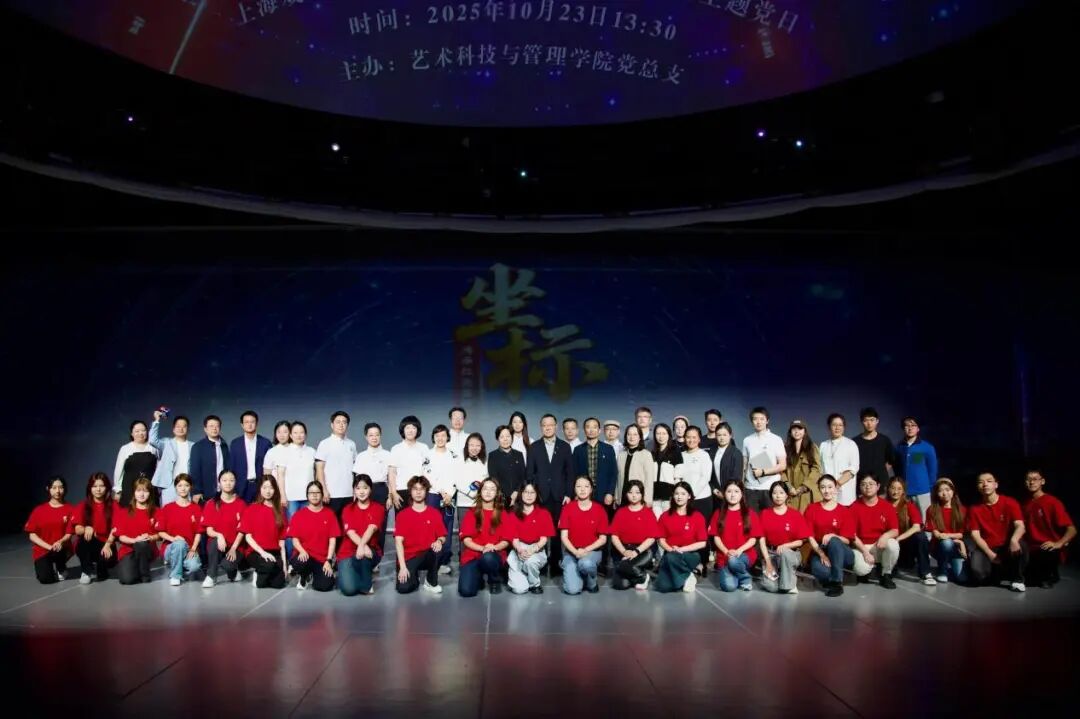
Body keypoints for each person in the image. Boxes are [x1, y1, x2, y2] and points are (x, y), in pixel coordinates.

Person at [528, 414, 575, 575]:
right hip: (540, 496)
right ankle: (539, 563)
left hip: (559, 496)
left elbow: (570, 473)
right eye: (544, 425)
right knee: (538, 530)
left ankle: (555, 563)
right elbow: (530, 473)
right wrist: (533, 495)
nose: (547, 427)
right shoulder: (534, 447)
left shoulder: (564, 446)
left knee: (556, 531)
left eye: (550, 425)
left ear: (556, 426)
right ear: (541, 427)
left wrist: (568, 494)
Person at [804, 475, 867, 596]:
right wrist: (822, 554)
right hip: (821, 549)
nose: (826, 491)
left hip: (842, 551)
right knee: (819, 570)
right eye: (823, 487)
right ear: (819, 489)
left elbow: (848, 540)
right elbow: (810, 536)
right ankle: (834, 575)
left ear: (835, 488)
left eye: (830, 487)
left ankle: (837, 583)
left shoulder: (844, 511)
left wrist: (833, 536)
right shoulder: (812, 509)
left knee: (834, 540)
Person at [965, 472, 1027, 592]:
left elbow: (1020, 526)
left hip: (1006, 546)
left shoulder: (1010, 502)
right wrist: (990, 553)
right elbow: (975, 535)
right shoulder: (974, 509)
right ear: (978, 487)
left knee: (1021, 545)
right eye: (981, 482)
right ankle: (997, 573)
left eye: (989, 481)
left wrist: (1014, 540)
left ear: (996, 485)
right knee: (979, 574)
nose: (985, 484)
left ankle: (1017, 579)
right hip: (986, 547)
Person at [1022, 470, 1076, 588]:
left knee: (1043, 580)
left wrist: (1059, 543)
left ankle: (1050, 574)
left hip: (1047, 547)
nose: (1031, 482)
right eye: (1028, 479)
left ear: (1042, 481)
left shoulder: (1052, 502)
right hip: (1031, 549)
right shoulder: (1025, 504)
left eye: (1035, 479)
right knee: (1026, 580)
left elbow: (1072, 529)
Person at [458, 479, 512, 597]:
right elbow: (466, 540)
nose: (488, 492)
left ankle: (494, 580)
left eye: (492, 489)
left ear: (497, 493)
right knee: (466, 591)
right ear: (480, 492)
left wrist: (493, 548)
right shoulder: (471, 512)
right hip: (473, 555)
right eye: (485, 488)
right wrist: (483, 548)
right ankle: (478, 578)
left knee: (488, 558)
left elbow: (506, 540)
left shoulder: (503, 513)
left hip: (493, 554)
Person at [395, 476, 447, 594]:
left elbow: (442, 536)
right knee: (403, 589)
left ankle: (431, 581)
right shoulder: (402, 515)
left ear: (426, 491)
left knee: (438, 549)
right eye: (415, 489)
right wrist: (402, 567)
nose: (418, 492)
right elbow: (398, 542)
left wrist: (439, 541)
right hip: (410, 556)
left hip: (427, 554)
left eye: (422, 489)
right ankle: (414, 578)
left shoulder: (434, 513)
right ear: (410, 491)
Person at [285, 481, 340, 592]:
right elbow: (295, 539)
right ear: (307, 495)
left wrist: (329, 561)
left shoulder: (329, 514)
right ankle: (304, 576)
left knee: (325, 586)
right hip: (305, 556)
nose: (314, 495)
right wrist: (302, 551)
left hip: (321, 558)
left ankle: (315, 575)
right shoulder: (299, 515)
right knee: (300, 563)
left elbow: (332, 540)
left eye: (317, 492)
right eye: (311, 493)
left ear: (322, 494)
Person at [558, 476, 609, 595]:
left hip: (592, 552)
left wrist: (585, 550)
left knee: (585, 564)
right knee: (572, 590)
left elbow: (603, 539)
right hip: (572, 552)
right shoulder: (568, 508)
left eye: (586, 486)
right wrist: (575, 552)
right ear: (574, 489)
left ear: (591, 489)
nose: (582, 489)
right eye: (578, 486)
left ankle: (592, 583)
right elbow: (564, 537)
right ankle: (579, 576)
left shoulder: (599, 509)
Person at [654, 482, 709, 593]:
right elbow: (661, 540)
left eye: (683, 494)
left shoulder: (697, 516)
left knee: (671, 558)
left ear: (689, 496)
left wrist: (681, 549)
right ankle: (688, 575)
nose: (679, 497)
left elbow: (702, 543)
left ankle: (689, 572)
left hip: (690, 555)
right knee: (662, 586)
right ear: (673, 496)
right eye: (676, 493)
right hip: (670, 553)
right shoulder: (665, 516)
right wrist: (671, 550)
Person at [338, 474, 387, 596]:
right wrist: (362, 545)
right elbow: (350, 532)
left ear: (370, 489)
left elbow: (371, 528)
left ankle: (367, 585)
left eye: (365, 488)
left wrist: (363, 546)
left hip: (370, 551)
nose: (361, 491)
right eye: (358, 488)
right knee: (349, 590)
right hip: (348, 552)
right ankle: (356, 574)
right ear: (354, 490)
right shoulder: (347, 509)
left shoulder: (378, 508)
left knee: (364, 556)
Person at [758, 481, 810, 594]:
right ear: (771, 495)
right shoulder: (764, 514)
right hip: (771, 554)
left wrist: (786, 545)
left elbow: (801, 541)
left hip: (791, 554)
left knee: (785, 553)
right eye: (775, 493)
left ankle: (788, 584)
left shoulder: (795, 514)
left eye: (781, 493)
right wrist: (768, 561)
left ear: (787, 495)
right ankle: (783, 576)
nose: (778, 496)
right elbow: (761, 540)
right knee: (771, 587)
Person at [850, 471, 900, 589]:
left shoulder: (887, 506)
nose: (867, 487)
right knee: (861, 570)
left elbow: (895, 530)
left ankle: (885, 574)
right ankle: (869, 569)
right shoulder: (854, 507)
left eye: (871, 484)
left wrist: (885, 536)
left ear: (878, 486)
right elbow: (851, 535)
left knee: (893, 545)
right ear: (860, 487)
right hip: (861, 546)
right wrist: (865, 552)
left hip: (879, 545)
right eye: (863, 484)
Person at [710, 480, 762, 592]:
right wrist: (726, 551)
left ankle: (745, 578)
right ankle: (741, 574)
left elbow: (753, 539)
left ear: (742, 494)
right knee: (729, 587)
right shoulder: (718, 513)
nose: (732, 495)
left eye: (736, 491)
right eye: (729, 491)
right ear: (724, 494)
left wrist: (739, 551)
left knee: (733, 561)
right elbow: (716, 537)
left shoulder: (750, 513)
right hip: (724, 556)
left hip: (744, 555)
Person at [609, 480, 661, 590]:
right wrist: (624, 551)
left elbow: (652, 538)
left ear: (642, 494)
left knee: (623, 566)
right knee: (621, 585)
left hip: (643, 551)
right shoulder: (621, 512)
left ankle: (639, 574)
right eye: (630, 492)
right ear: (626, 494)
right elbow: (614, 536)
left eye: (637, 492)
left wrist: (636, 551)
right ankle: (641, 576)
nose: (634, 495)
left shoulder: (648, 512)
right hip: (624, 550)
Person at [505, 481, 555, 594]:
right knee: (519, 590)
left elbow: (544, 539)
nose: (529, 495)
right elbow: (514, 539)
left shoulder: (544, 513)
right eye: (526, 492)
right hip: (518, 548)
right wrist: (520, 550)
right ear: (521, 494)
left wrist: (532, 550)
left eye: (532, 492)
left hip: (536, 548)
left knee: (530, 561)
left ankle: (534, 584)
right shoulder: (513, 514)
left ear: (537, 494)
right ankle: (522, 574)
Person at [201, 469, 248, 587]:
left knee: (228, 565)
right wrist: (219, 535)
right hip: (218, 544)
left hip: (236, 546)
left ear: (235, 482)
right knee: (214, 542)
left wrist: (233, 548)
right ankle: (211, 576)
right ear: (219, 483)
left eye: (231, 480)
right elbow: (209, 530)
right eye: (224, 480)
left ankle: (234, 572)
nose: (228, 483)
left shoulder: (241, 504)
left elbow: (242, 531)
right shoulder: (211, 504)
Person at [155, 474, 203, 586]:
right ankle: (175, 575)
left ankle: (178, 563)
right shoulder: (168, 508)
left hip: (189, 548)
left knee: (194, 567)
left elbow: (199, 532)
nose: (183, 488)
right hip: (171, 547)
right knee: (179, 544)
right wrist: (173, 539)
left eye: (186, 485)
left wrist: (193, 548)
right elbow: (160, 531)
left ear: (190, 487)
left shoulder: (196, 508)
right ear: (176, 487)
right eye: (180, 485)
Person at [241, 476, 289, 589]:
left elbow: (281, 542)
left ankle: (266, 573)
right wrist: (262, 553)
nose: (268, 491)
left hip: (274, 552)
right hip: (256, 552)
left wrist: (284, 565)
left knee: (279, 583)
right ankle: (258, 573)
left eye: (271, 488)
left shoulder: (280, 510)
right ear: (260, 489)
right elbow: (248, 537)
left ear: (275, 490)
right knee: (267, 568)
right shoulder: (251, 509)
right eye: (264, 487)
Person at [25, 476, 73, 584]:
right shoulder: (39, 510)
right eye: (54, 487)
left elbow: (69, 533)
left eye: (60, 487)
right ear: (48, 489)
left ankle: (61, 567)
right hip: (43, 549)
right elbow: (32, 535)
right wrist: (49, 547)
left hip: (61, 548)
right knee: (46, 579)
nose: (58, 491)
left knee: (60, 551)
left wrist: (60, 542)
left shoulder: (70, 509)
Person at [425, 424, 461, 570]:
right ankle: (431, 560)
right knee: (432, 527)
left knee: (447, 526)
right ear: (433, 438)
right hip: (433, 495)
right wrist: (441, 492)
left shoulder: (454, 455)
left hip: (450, 496)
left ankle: (443, 561)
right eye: (437, 436)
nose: (440, 438)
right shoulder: (428, 454)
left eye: (443, 435)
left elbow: (458, 475)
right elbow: (427, 475)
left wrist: (450, 493)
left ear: (447, 437)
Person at [352, 422, 392, 553]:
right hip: (364, 491)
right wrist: (355, 495)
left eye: (377, 435)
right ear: (366, 437)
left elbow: (391, 478)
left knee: (380, 523)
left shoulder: (388, 455)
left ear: (380, 436)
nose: (374, 437)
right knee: (364, 522)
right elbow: (357, 479)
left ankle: (378, 554)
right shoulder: (361, 456)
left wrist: (390, 496)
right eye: (371, 435)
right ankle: (364, 549)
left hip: (381, 490)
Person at [71, 472, 116, 584]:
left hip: (107, 544)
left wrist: (107, 545)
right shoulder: (82, 505)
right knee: (84, 539)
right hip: (89, 543)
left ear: (107, 487)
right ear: (90, 488)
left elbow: (116, 528)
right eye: (95, 486)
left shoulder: (114, 505)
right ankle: (86, 571)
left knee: (103, 573)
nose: (98, 489)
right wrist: (86, 528)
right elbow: (77, 529)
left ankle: (102, 567)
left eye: (101, 486)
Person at [888, 477, 936, 585]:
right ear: (888, 489)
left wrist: (898, 538)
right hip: (889, 545)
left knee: (921, 537)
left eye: (899, 489)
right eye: (893, 488)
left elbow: (916, 527)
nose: (895, 492)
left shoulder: (909, 506)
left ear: (903, 491)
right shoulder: (883, 505)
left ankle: (925, 573)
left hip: (904, 545)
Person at [113, 476, 160, 585]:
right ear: (134, 493)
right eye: (138, 491)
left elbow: (159, 534)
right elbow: (121, 536)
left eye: (145, 491)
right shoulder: (124, 512)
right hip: (129, 550)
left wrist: (150, 537)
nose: (142, 494)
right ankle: (135, 569)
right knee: (127, 579)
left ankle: (145, 575)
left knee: (142, 544)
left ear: (150, 493)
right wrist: (135, 540)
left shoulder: (156, 511)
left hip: (147, 549)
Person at [280, 421, 317, 556]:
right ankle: (292, 559)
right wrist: (283, 495)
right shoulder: (285, 451)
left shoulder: (312, 451)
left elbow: (316, 473)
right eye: (295, 432)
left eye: (301, 432)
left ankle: (307, 557)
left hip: (309, 497)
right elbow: (280, 475)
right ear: (290, 435)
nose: (299, 435)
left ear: (305, 434)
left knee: (308, 528)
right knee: (292, 529)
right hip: (291, 498)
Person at [741, 407, 787, 512]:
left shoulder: (776, 439)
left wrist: (763, 472)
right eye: (755, 419)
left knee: (770, 519)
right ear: (751, 421)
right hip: (750, 488)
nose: (758, 422)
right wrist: (742, 485)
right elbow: (744, 465)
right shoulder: (747, 440)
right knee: (751, 519)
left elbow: (782, 465)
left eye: (762, 419)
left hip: (770, 487)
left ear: (767, 421)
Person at [924, 477, 968, 584]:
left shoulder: (962, 510)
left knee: (962, 578)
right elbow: (936, 532)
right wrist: (949, 538)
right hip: (939, 545)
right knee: (946, 543)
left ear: (953, 491)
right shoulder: (932, 509)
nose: (944, 493)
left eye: (947, 490)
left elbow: (962, 534)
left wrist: (957, 541)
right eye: (940, 491)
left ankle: (953, 564)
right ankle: (942, 570)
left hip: (956, 548)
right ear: (936, 493)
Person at [388, 415, 429, 524]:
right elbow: (392, 473)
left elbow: (427, 471)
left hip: (420, 490)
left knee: (420, 523)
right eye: (408, 428)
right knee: (402, 523)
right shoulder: (396, 449)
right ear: (403, 430)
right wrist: (394, 493)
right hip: (401, 491)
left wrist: (425, 490)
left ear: (418, 430)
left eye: (414, 427)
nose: (411, 430)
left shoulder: (424, 448)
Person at [315, 411, 358, 515]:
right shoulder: (324, 443)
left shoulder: (351, 444)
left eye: (344, 422)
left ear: (347, 425)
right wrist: (324, 490)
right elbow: (319, 469)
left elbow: (355, 470)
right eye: (338, 422)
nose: (341, 425)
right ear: (332, 425)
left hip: (348, 493)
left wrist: (355, 490)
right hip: (331, 494)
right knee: (331, 523)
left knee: (348, 523)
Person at [894, 417, 937, 516]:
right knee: (905, 520)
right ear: (903, 428)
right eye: (907, 426)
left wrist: (929, 488)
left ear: (918, 429)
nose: (910, 428)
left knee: (924, 520)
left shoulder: (927, 447)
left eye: (913, 425)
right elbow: (896, 468)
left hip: (922, 491)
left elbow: (932, 470)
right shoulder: (898, 447)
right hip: (904, 492)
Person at [228, 411, 272, 504]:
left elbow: (270, 467)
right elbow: (231, 467)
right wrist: (232, 488)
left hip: (260, 485)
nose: (249, 424)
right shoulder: (235, 443)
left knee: (260, 511)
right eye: (246, 422)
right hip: (241, 486)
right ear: (242, 425)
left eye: (252, 422)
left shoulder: (265, 443)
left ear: (257, 424)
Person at [113, 420, 160, 506]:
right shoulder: (125, 449)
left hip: (149, 488)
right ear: (132, 433)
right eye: (137, 431)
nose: (141, 433)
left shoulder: (154, 448)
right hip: (129, 487)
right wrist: (118, 490)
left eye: (143, 430)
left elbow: (159, 469)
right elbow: (118, 471)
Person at [150, 411, 191, 506]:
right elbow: (152, 440)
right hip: (169, 484)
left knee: (186, 512)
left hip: (187, 484)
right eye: (178, 426)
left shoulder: (193, 446)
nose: (181, 429)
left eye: (184, 426)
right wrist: (157, 420)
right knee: (168, 511)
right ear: (173, 429)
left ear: (188, 429)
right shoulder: (166, 443)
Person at [819, 414, 860, 506]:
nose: (837, 428)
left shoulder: (851, 444)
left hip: (845, 492)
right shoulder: (823, 445)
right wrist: (828, 487)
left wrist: (837, 485)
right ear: (829, 427)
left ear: (844, 427)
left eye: (840, 425)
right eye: (834, 425)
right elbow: (820, 469)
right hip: (827, 492)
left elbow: (854, 468)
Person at [189, 415, 229, 506]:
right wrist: (197, 491)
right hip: (205, 492)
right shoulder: (198, 446)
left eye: (217, 426)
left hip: (223, 490)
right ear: (205, 429)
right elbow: (195, 471)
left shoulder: (224, 446)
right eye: (211, 426)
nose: (214, 428)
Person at [852, 407, 896, 489]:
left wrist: (880, 471)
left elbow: (891, 460)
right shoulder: (854, 442)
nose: (869, 423)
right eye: (866, 420)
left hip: (881, 484)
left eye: (872, 420)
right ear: (862, 422)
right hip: (861, 485)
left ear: (877, 421)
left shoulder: (884, 440)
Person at [784, 419, 822, 513]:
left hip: (807, 493)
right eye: (794, 429)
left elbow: (816, 469)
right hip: (791, 493)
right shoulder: (785, 449)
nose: (797, 431)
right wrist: (789, 487)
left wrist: (804, 487)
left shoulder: (812, 447)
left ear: (805, 431)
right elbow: (782, 471)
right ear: (790, 432)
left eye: (800, 429)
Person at [455, 433, 489, 534]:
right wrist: (471, 493)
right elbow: (456, 481)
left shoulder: (484, 463)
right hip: (464, 503)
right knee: (464, 532)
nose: (475, 448)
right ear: (467, 446)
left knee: (479, 532)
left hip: (480, 504)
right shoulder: (459, 461)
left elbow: (486, 481)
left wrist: (480, 495)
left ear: (482, 447)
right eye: (472, 445)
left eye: (478, 445)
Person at [616, 425, 657, 507]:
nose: (632, 437)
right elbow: (617, 478)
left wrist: (647, 499)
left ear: (640, 437)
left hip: (638, 498)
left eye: (635, 434)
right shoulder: (621, 455)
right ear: (626, 436)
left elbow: (649, 479)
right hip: (622, 496)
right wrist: (616, 497)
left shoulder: (646, 454)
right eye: (629, 434)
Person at [487, 425, 526, 504]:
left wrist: (516, 492)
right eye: (502, 437)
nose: (505, 439)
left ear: (512, 437)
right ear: (497, 439)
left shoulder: (519, 454)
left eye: (508, 436)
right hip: (500, 498)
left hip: (518, 497)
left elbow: (523, 476)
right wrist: (506, 496)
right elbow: (494, 478)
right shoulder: (492, 455)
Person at [710, 422, 743, 509]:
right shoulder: (712, 452)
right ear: (715, 436)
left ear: (730, 435)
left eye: (725, 435)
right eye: (719, 435)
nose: (722, 438)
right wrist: (715, 490)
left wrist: (726, 492)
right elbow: (709, 475)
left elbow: (737, 477)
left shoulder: (736, 453)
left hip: (730, 495)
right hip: (714, 494)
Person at [651, 423, 682, 516]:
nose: (661, 436)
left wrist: (676, 495)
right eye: (658, 433)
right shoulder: (652, 453)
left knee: (668, 521)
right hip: (654, 496)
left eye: (664, 433)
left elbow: (678, 477)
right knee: (656, 521)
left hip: (669, 497)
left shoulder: (675, 452)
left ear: (669, 435)